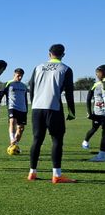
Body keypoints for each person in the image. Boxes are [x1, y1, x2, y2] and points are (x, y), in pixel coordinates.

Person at [27, 44, 75, 183]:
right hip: (53, 107)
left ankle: (32, 173)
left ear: (49, 54)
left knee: (37, 139)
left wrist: (33, 104)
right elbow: (69, 93)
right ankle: (56, 175)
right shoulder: (65, 69)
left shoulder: (38, 67)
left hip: (37, 108)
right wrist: (71, 111)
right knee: (57, 140)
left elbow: (32, 88)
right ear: (63, 55)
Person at [82, 64, 105, 162]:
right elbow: (88, 98)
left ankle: (101, 155)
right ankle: (85, 141)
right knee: (94, 129)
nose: (97, 74)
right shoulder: (96, 84)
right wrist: (89, 112)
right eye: (96, 73)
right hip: (97, 113)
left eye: (98, 72)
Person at [4, 68, 29, 149]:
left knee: (21, 128)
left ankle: (15, 144)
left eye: (21, 76)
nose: (20, 78)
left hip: (23, 109)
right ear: (14, 75)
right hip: (12, 107)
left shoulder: (24, 86)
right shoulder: (9, 84)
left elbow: (25, 98)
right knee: (12, 121)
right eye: (18, 76)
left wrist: (26, 109)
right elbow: (2, 93)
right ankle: (12, 139)